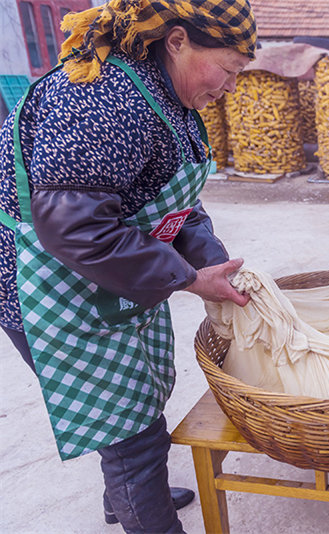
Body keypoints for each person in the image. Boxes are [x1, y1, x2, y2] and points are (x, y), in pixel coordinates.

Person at [0, 0, 256, 531]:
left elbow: (170, 201)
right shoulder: (105, 101)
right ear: (178, 41)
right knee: (129, 433)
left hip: (101, 266)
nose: (230, 87)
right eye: (228, 70)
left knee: (135, 408)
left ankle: (127, 502)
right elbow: (75, 228)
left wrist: (211, 261)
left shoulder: (168, 96)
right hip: (40, 277)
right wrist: (187, 278)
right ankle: (145, 511)